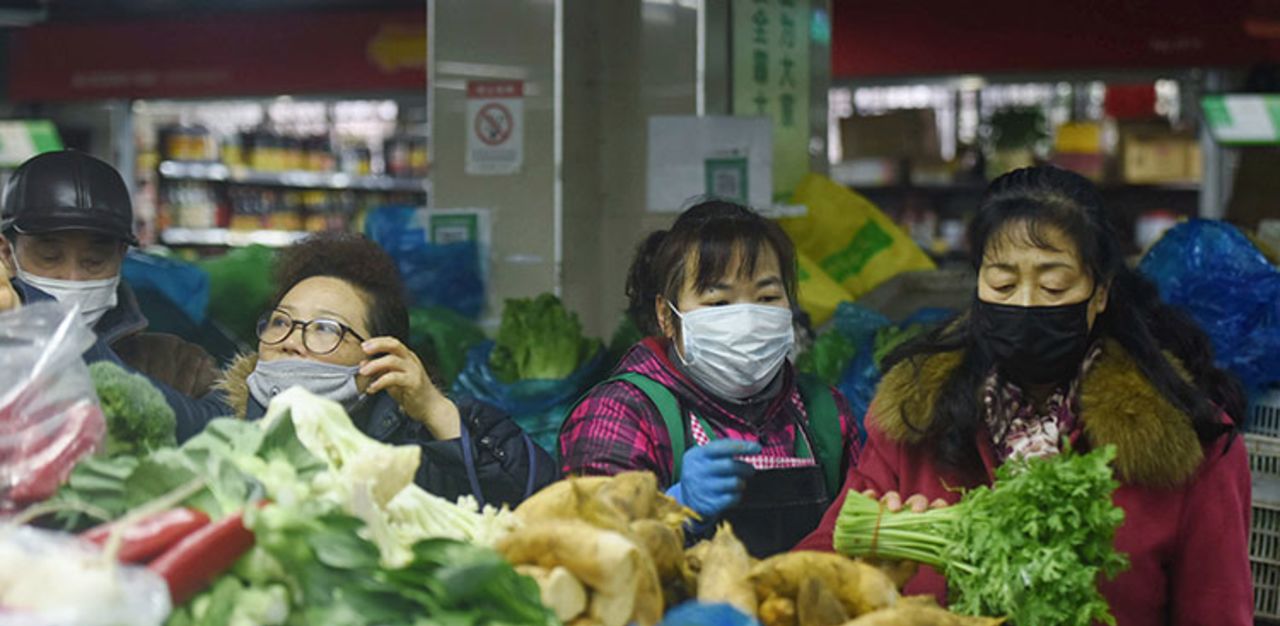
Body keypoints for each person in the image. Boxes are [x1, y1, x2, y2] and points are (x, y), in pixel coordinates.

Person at [796, 165, 1262, 626]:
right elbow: (814, 569)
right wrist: (871, 571)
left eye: (1054, 283)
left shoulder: (1185, 441)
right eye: (1002, 281)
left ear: (1100, 293)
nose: (1024, 302)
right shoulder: (915, 418)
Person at [559, 199, 861, 557]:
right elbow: (589, 552)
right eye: (718, 303)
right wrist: (674, 506)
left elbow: (864, 535)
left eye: (767, 297)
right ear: (667, 316)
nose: (747, 319)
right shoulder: (619, 414)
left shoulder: (825, 412)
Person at [217, 231, 555, 507]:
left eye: (324, 328)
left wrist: (438, 414)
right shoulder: (215, 423)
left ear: (380, 356)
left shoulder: (426, 441)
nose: (291, 340)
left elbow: (541, 509)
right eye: (280, 321)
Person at [0, 149, 224, 439]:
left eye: (94, 261)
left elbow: (221, 436)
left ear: (121, 257)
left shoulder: (178, 363)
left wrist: (65, 341)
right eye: (49, 257)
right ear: (6, 253)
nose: (72, 277)